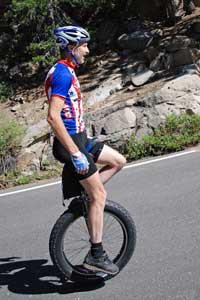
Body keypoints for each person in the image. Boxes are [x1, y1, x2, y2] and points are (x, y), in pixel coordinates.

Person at [45, 25, 126, 275]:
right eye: (84, 46)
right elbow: (53, 117)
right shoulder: (62, 74)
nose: (88, 50)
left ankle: (87, 196)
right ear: (71, 47)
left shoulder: (66, 70)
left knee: (118, 161)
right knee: (100, 195)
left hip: (80, 138)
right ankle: (97, 254)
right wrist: (76, 153)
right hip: (70, 144)